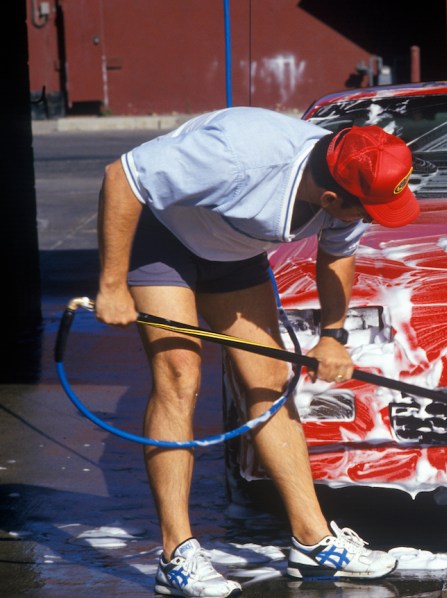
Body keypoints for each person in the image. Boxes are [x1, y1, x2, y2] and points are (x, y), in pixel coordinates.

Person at [94, 107, 419, 597]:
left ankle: (313, 542)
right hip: (162, 237)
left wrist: (333, 334)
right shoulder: (237, 157)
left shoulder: (350, 186)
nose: (370, 220)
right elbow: (122, 176)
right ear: (331, 198)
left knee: (268, 376)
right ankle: (176, 554)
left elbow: (338, 255)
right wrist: (112, 284)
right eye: (365, 212)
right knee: (180, 373)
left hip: (234, 250)